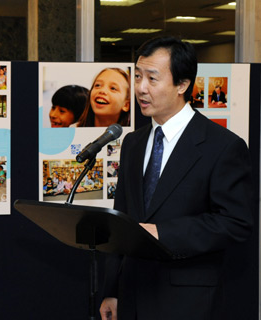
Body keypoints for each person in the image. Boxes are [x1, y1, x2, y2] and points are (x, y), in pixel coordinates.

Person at [100, 36, 253, 320]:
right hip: (133, 294)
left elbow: (236, 223)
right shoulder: (133, 143)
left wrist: (163, 233)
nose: (141, 88)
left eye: (152, 79)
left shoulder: (222, 146)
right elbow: (121, 220)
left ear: (182, 85)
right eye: (137, 76)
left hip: (187, 300)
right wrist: (112, 289)